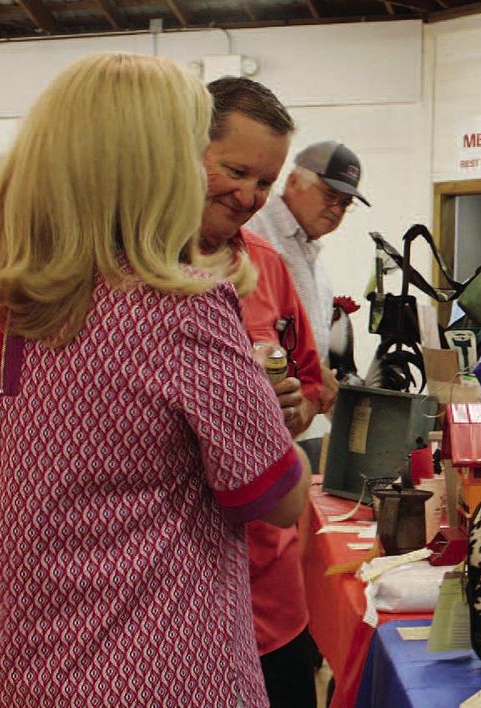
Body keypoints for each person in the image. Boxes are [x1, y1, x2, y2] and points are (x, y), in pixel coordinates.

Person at [0, 53, 308, 706]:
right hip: (151, 672)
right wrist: (271, 427)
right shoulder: (174, 307)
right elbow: (278, 497)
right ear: (151, 167)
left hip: (8, 667)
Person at [196, 77, 323, 708]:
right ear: (190, 151)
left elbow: (307, 383)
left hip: (272, 595)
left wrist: (293, 411)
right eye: (236, 171)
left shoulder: (266, 265)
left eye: (265, 183)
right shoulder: (129, 279)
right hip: (178, 605)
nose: (249, 196)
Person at [248, 140, 370, 469]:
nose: (336, 210)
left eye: (345, 204)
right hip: (257, 420)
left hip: (298, 419)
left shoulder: (311, 255)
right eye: (329, 196)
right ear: (292, 182)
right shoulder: (256, 235)